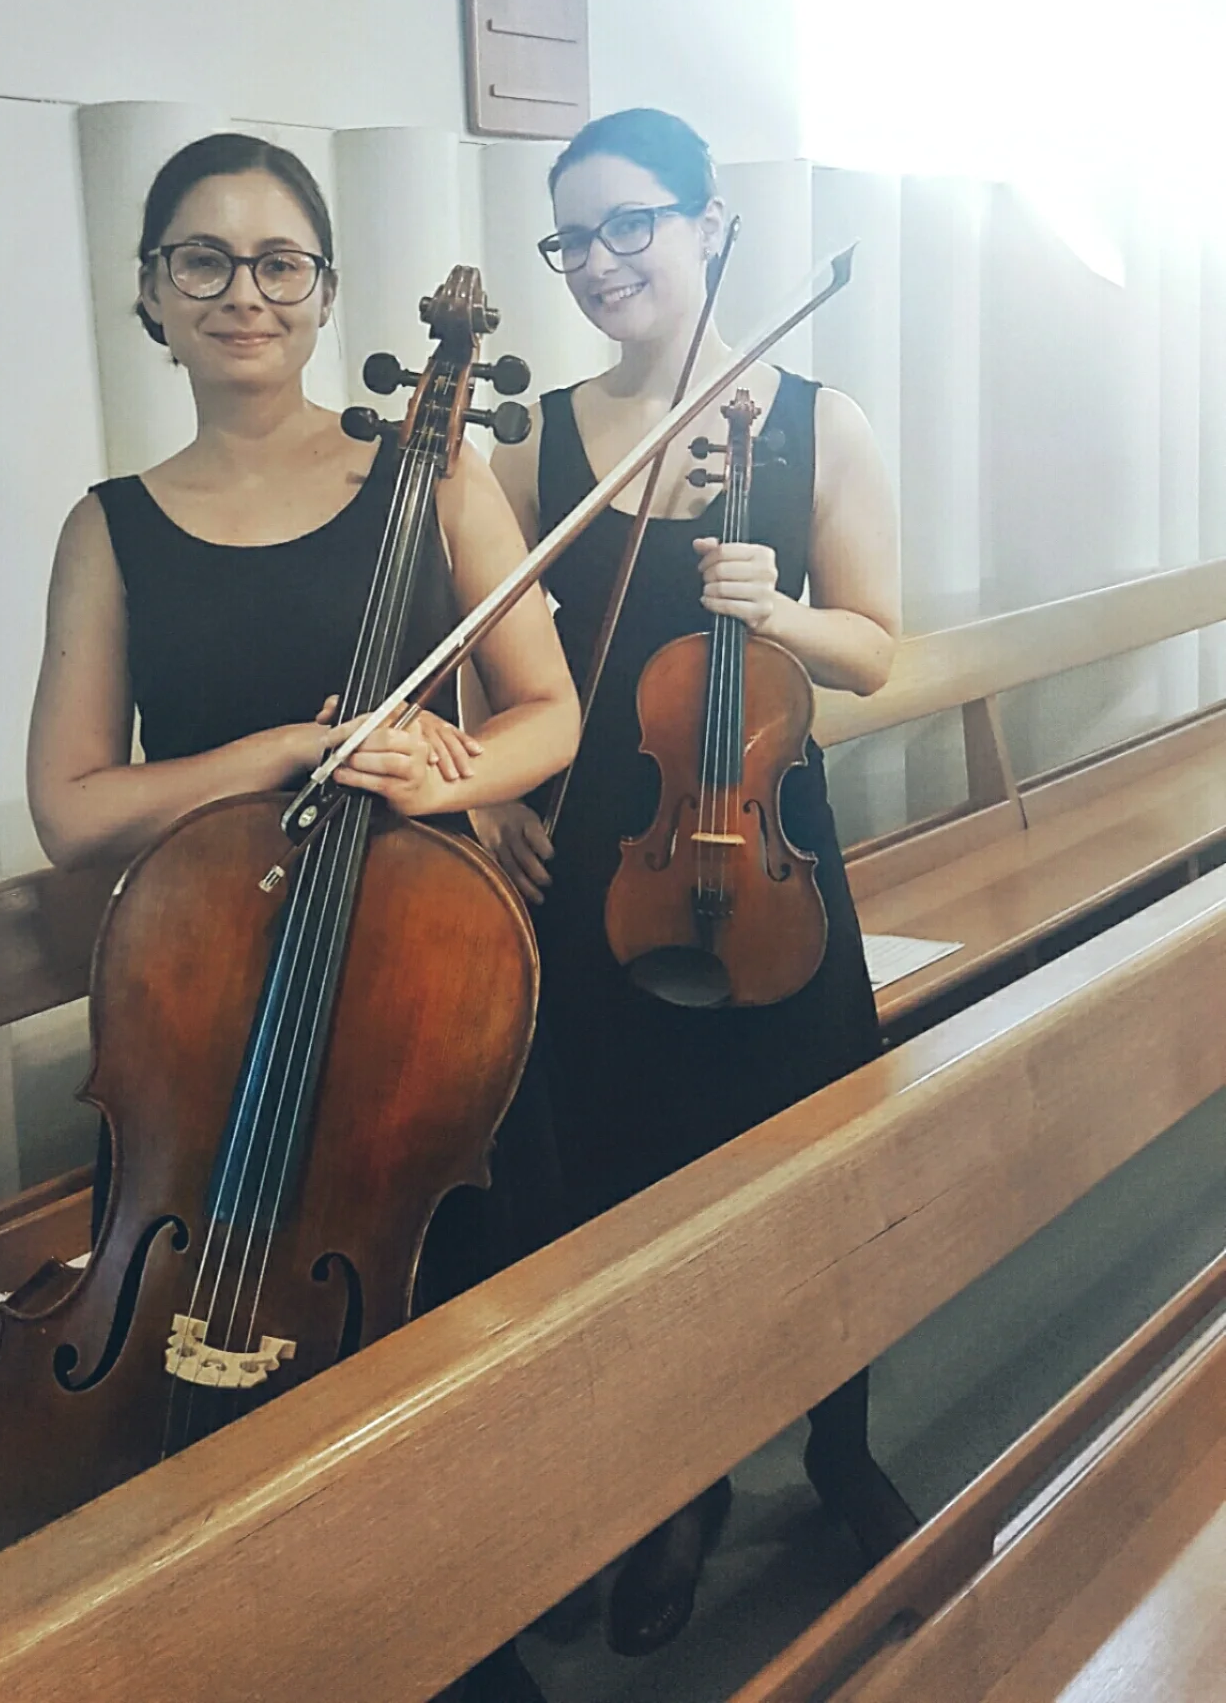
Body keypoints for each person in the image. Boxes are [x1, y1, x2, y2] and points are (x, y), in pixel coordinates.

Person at [471, 107, 917, 1663]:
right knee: (612, 1187)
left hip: (774, 870)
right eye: (572, 238)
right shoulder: (537, 442)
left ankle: (837, 1446)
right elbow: (489, 676)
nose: (599, 264)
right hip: (597, 883)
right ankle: (670, 1489)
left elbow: (877, 646)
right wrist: (489, 810)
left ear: (710, 223)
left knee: (814, 1174)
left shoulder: (816, 423)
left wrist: (782, 610)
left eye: (630, 226)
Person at [25, 132, 579, 1252]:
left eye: (280, 264)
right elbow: (72, 812)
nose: (245, 294)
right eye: (203, 261)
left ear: (324, 297)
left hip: (419, 991)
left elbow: (549, 712)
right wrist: (282, 750)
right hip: (201, 1003)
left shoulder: (435, 476)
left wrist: (434, 776)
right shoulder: (105, 528)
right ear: (151, 290)